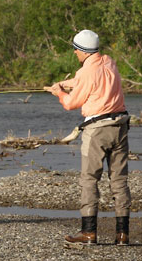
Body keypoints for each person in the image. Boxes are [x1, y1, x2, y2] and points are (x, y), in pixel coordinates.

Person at [44, 29, 131, 245]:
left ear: (82, 50)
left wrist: (60, 94)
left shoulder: (85, 72)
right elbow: (90, 80)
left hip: (97, 130)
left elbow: (71, 103)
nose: (74, 52)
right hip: (120, 126)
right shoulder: (109, 62)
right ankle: (122, 235)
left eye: (75, 49)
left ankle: (89, 232)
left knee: (89, 179)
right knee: (119, 180)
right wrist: (66, 84)